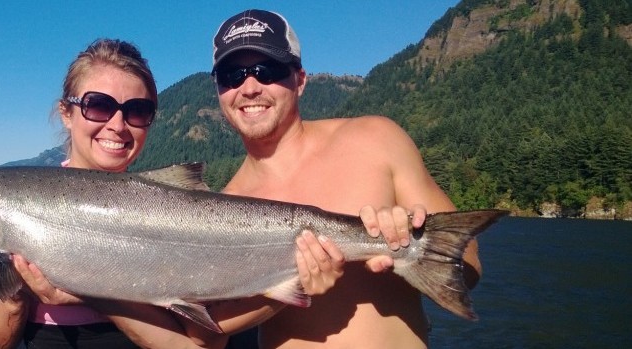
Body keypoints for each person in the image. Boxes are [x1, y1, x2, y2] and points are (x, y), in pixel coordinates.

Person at [196, 9, 481, 348]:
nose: (250, 87)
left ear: (300, 80)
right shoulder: (219, 209)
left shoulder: (377, 139)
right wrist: (288, 288)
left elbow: (468, 266)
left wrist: (400, 249)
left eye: (267, 70)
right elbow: (208, 330)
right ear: (218, 90)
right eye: (232, 75)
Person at [0, 38, 161, 348]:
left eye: (137, 110)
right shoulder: (10, 204)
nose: (118, 125)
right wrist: (15, 298)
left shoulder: (166, 210)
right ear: (67, 113)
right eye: (99, 105)